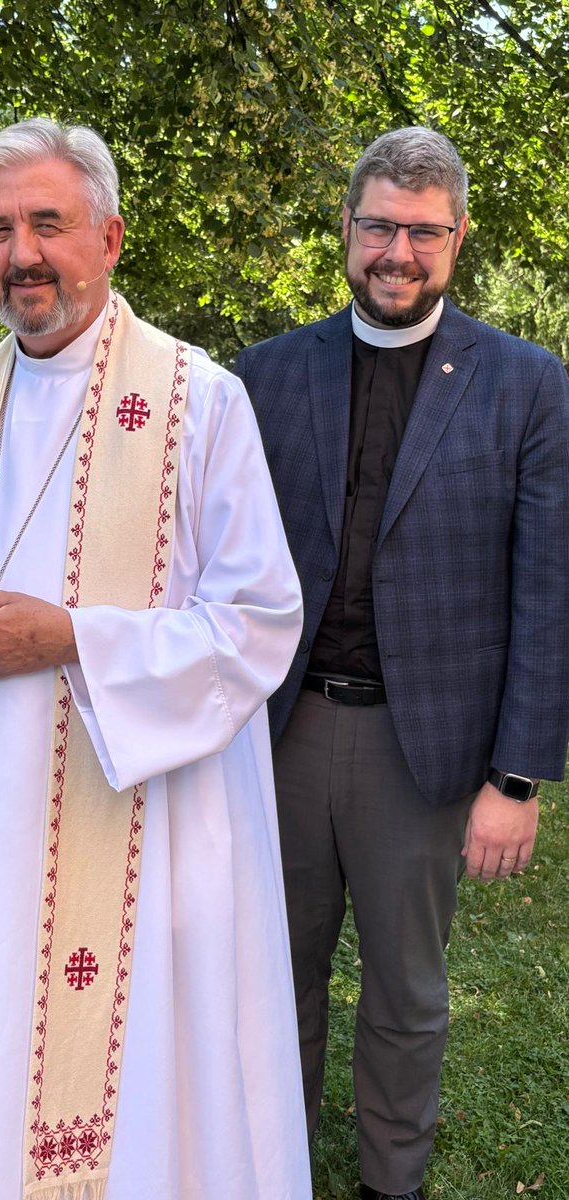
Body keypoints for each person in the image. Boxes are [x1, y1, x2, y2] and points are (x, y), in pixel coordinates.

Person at [0, 117, 311, 1200]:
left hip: (146, 823)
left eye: (47, 223)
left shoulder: (200, 400)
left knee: (144, 1098)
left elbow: (258, 618)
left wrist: (68, 640)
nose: (21, 255)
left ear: (108, 236)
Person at [235, 126, 569, 1200]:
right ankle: (268, 1166)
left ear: (458, 238)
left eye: (424, 232)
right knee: (268, 980)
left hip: (421, 750)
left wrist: (515, 780)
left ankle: (393, 1181)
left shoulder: (527, 385)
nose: (398, 251)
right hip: (274, 734)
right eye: (379, 225)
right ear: (346, 229)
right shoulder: (265, 377)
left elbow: (547, 589)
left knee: (407, 993)